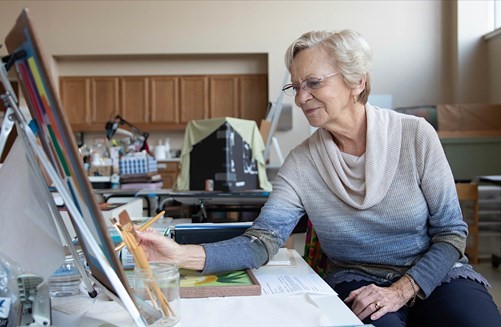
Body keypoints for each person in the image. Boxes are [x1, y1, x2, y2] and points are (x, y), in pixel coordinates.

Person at [137, 30, 501, 326]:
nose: (301, 98)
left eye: (312, 82)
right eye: (295, 86)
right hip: (357, 277)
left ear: (356, 81)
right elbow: (262, 241)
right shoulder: (302, 163)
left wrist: (404, 289)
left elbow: (452, 232)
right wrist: (180, 254)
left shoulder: (415, 135)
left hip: (437, 274)